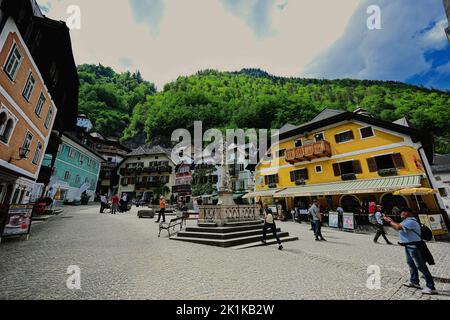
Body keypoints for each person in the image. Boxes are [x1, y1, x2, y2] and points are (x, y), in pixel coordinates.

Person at [383, 207, 438, 295]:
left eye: (401, 212)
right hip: (408, 246)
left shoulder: (411, 221)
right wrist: (390, 221)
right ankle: (414, 281)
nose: (400, 214)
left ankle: (431, 286)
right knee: (411, 264)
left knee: (421, 266)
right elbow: (397, 227)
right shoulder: (405, 221)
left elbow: (398, 227)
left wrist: (389, 221)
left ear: (406, 213)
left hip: (414, 247)